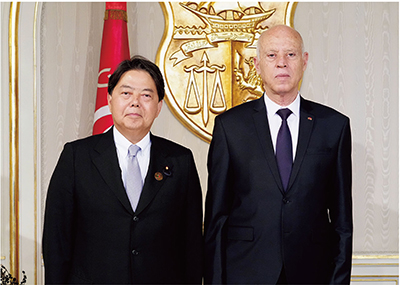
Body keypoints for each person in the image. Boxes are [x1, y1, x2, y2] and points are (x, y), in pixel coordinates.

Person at [204, 25, 353, 284]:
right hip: (245, 272)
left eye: (291, 55)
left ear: (304, 61)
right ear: (258, 64)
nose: (281, 63)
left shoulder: (333, 126)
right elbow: (216, 217)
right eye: (272, 55)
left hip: (312, 273)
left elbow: (342, 222)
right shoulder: (230, 127)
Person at [42, 55, 203, 284]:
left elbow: (192, 245)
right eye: (126, 93)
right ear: (110, 100)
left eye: (146, 95)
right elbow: (56, 241)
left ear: (158, 107)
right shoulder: (77, 157)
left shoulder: (180, 161)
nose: (135, 102)